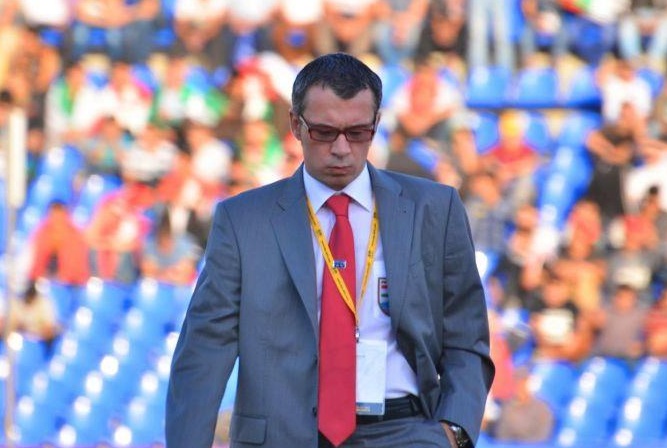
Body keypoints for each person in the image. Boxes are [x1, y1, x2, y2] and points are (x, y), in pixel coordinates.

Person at [167, 53, 494, 448]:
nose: (341, 148)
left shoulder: (435, 209)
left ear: (376, 125)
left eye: (357, 133)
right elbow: (204, 349)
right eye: (324, 132)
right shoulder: (244, 221)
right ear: (295, 125)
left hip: (406, 430)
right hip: (284, 437)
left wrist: (454, 431)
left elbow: (466, 334)